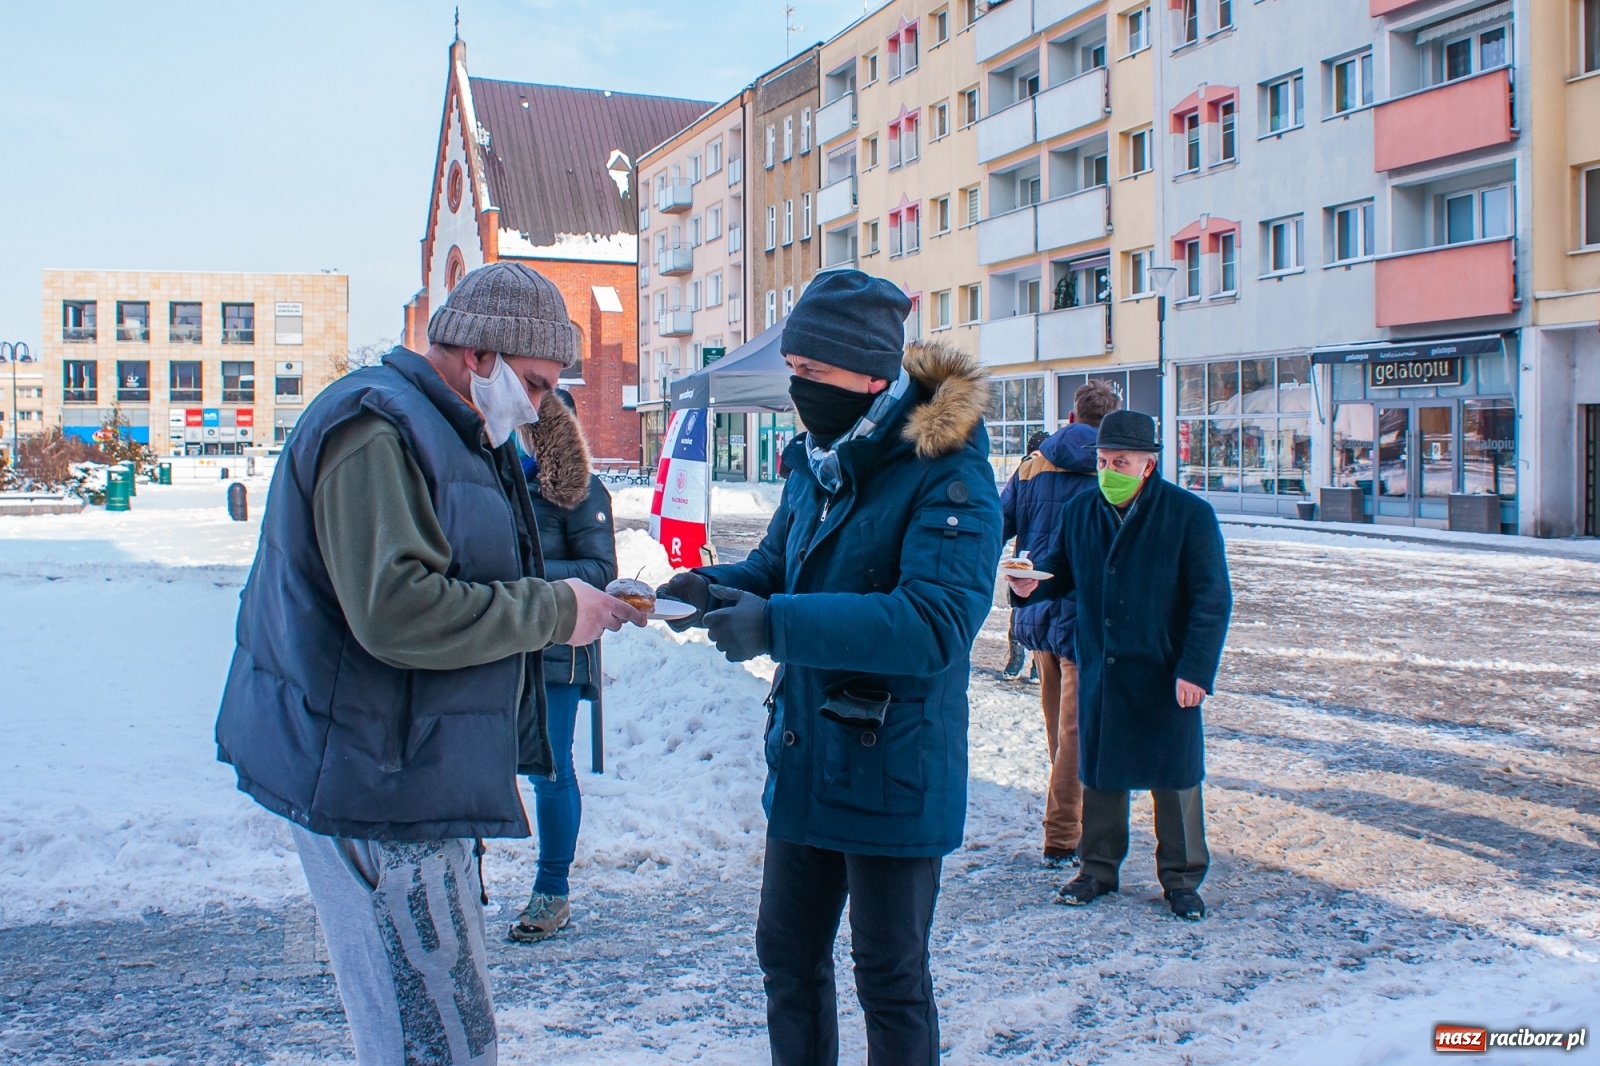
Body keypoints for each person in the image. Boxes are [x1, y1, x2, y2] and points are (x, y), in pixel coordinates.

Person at [215, 261, 646, 1065]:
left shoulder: (444, 429)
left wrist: (571, 597)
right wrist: (555, 610)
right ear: (479, 355)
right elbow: (398, 608)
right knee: (438, 1044)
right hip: (378, 784)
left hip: (401, 770)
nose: (544, 406)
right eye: (536, 382)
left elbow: (460, 578)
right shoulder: (378, 427)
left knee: (424, 1035)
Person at [657, 270, 1003, 1065]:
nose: (797, 387)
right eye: (795, 369)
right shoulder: (819, 461)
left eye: (814, 371)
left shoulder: (948, 472)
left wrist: (772, 624)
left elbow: (933, 623)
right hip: (810, 756)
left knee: (889, 977)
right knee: (786, 959)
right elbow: (781, 563)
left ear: (872, 377)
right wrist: (711, 588)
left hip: (894, 764)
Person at [1005, 410, 1232, 922]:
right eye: (1104, 460)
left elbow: (1211, 599)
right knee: (1101, 771)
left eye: (1120, 462)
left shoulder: (1188, 515)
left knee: (1173, 777)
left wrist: (1195, 669)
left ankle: (1181, 877)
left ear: (1148, 465)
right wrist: (1031, 585)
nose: (1109, 470)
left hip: (1164, 667)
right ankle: (1097, 868)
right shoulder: (1085, 509)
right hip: (1102, 664)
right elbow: (1060, 571)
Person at [509, 388, 617, 943]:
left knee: (550, 769)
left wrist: (522, 574)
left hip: (559, 650)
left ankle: (553, 889)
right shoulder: (501, 483)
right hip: (498, 642)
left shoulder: (580, 492)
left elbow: (601, 570)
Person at [999, 381, 1120, 868]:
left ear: (1072, 417)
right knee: (1076, 727)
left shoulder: (1033, 463)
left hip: (1037, 602)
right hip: (1086, 608)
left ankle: (1067, 816)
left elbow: (998, 520)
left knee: (1059, 725)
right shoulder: (1113, 467)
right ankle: (1064, 831)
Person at [1001, 429, 1051, 683]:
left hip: (1040, 559)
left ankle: (1035, 666)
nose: (1037, 459)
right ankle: (1016, 660)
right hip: (1023, 558)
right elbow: (1002, 519)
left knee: (1040, 613)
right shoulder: (1024, 473)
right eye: (1034, 453)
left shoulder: (1051, 474)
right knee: (1019, 611)